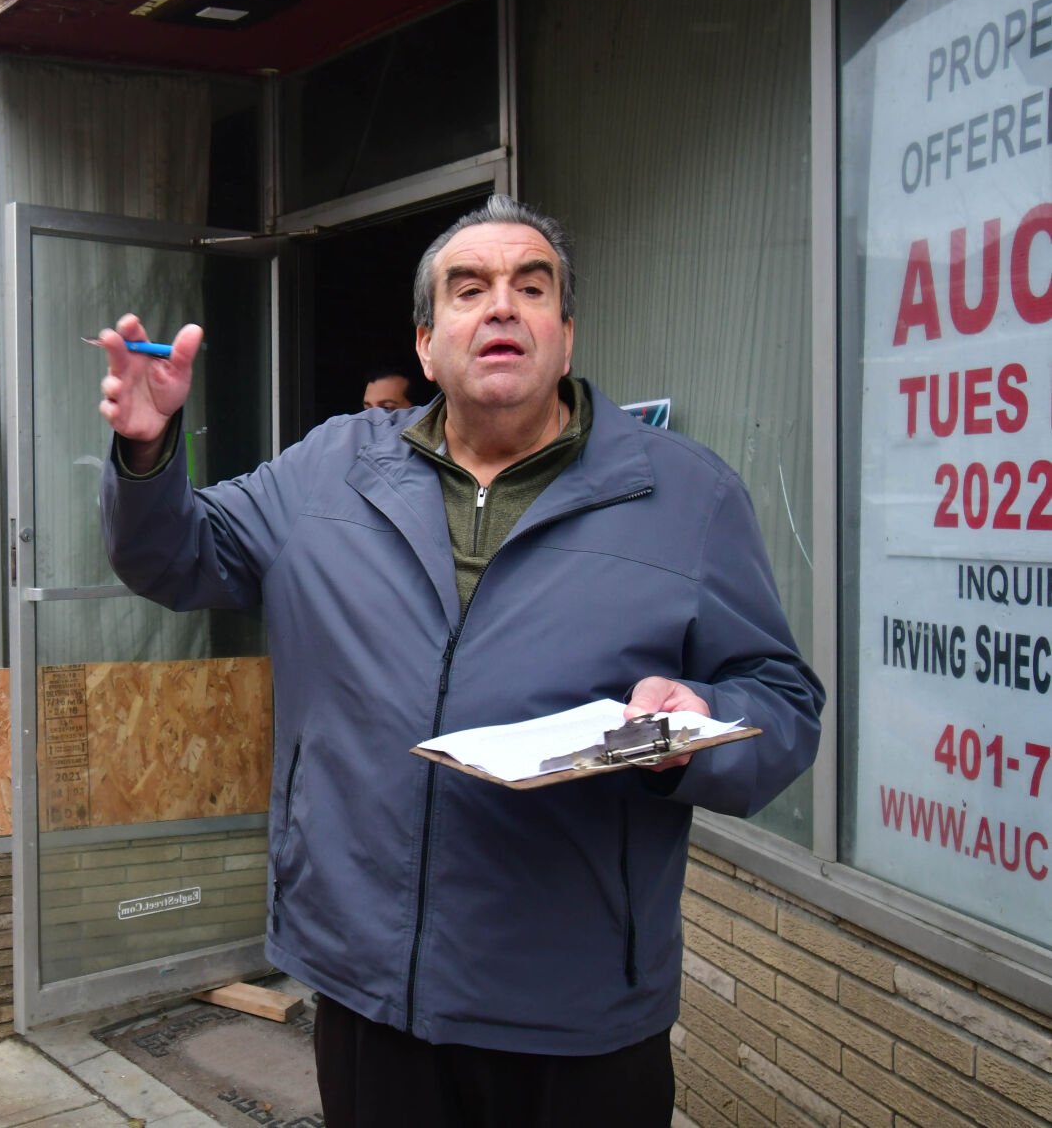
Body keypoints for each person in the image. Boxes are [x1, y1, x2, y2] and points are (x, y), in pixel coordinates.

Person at [93, 194, 823, 1127]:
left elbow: (782, 700)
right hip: (370, 988)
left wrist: (692, 729)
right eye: (468, 288)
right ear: (428, 344)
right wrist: (148, 452)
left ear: (565, 334)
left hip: (577, 1005)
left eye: (531, 285)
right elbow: (174, 555)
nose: (502, 305)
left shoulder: (686, 495)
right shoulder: (327, 472)